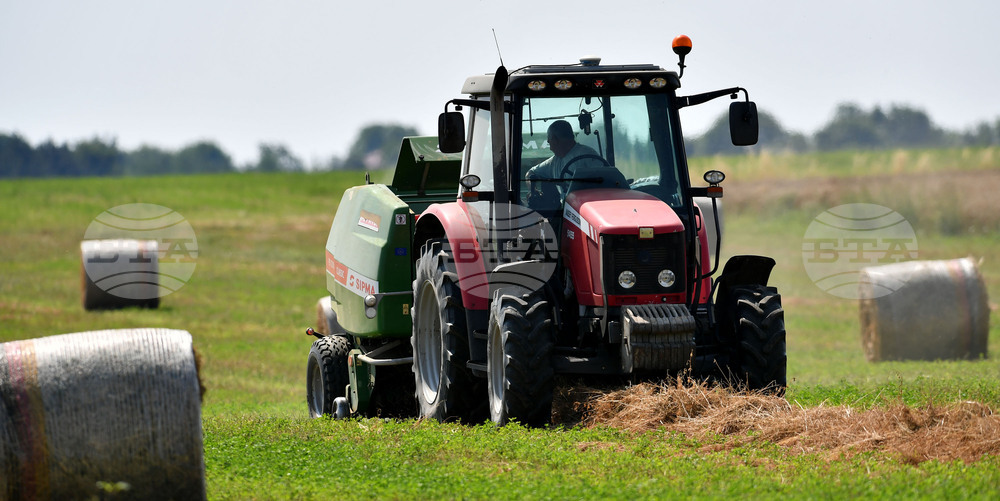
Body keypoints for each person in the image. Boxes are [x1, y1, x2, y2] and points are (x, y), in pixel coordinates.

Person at [525, 120, 605, 207]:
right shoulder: (554, 161)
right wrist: (532, 190)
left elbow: (606, 180)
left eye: (549, 140)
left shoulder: (587, 155)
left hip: (589, 205)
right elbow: (530, 173)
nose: (549, 145)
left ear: (555, 139)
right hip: (566, 209)